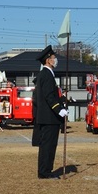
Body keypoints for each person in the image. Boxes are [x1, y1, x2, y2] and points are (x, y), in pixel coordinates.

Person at [32, 45, 68, 179]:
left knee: (50, 145)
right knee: (48, 146)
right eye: (53, 57)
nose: (55, 60)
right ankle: (45, 172)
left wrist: (63, 102)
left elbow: (53, 95)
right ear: (48, 60)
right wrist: (59, 110)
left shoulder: (46, 74)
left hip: (48, 117)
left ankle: (46, 170)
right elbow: (48, 96)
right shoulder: (46, 75)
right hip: (49, 118)